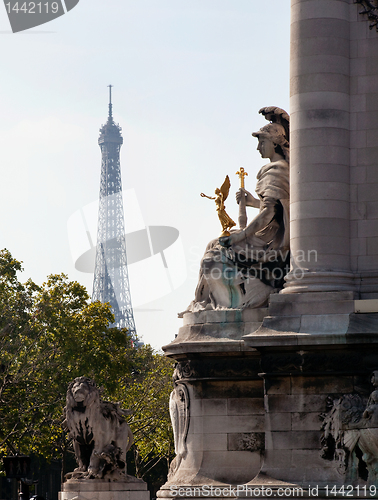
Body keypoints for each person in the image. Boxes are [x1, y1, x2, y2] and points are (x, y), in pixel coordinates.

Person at [186, 107, 290, 312]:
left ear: (275, 143)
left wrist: (241, 235)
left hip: (269, 240)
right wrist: (252, 202)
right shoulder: (277, 170)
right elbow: (275, 208)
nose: (258, 148)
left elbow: (269, 213)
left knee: (215, 252)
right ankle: (209, 301)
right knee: (213, 244)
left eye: (262, 142)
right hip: (267, 234)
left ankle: (221, 302)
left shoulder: (277, 171)